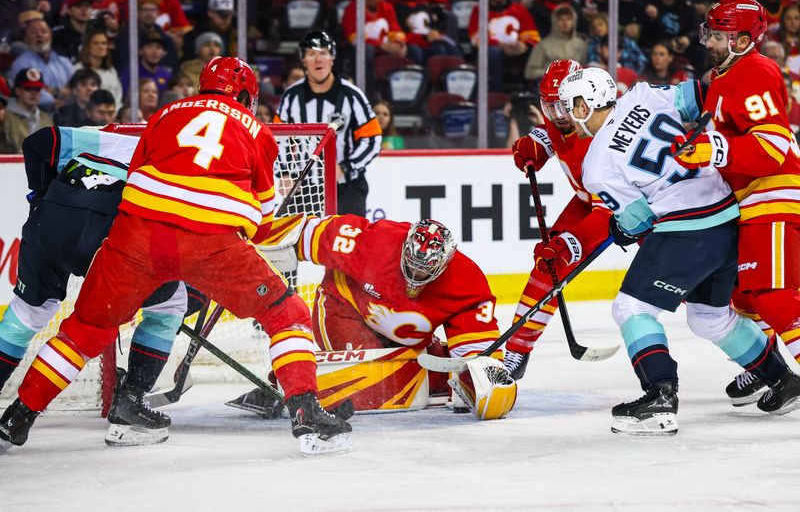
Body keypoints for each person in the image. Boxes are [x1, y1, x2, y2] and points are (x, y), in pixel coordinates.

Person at [0, 57, 352, 456]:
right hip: (209, 243)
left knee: (84, 328)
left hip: (137, 236)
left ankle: (18, 415)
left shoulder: (164, 114)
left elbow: (132, 177)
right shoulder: (258, 131)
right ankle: (306, 412)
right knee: (286, 314)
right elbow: (263, 221)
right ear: (243, 96)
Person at [558, 66, 800, 434]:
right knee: (709, 317)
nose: (569, 119)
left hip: (687, 228)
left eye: (570, 108)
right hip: (729, 219)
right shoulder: (643, 95)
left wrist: (617, 228)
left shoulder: (596, 164)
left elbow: (637, 219)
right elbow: (702, 97)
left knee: (631, 307)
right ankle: (782, 379)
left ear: (584, 104)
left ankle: (659, 396)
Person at [0, 125, 199, 446]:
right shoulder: (186, 164)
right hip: (105, 231)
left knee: (24, 316)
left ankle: (20, 414)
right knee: (171, 302)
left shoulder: (115, 138)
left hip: (48, 223)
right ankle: (129, 402)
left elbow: (37, 142)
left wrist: (40, 198)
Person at [229, 215, 517, 421]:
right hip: (343, 310)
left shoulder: (467, 282)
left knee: (416, 378)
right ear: (404, 248)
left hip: (403, 337)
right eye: (411, 266)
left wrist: (479, 382)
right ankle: (288, 380)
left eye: (424, 271)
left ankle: (307, 381)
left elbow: (478, 356)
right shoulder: (374, 241)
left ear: (444, 264)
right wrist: (254, 238)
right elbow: (309, 232)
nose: (414, 277)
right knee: (367, 375)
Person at [672, 0, 800, 409]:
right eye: (708, 32)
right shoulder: (721, 78)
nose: (708, 40)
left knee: (770, 291)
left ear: (744, 40)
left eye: (718, 35)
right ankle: (772, 371)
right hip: (747, 200)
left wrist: (712, 149)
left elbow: (773, 145)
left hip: (773, 194)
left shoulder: (756, 70)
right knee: (743, 293)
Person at [504, 59, 608, 380]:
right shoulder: (558, 117)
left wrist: (573, 243)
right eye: (548, 108)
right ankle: (516, 353)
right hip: (587, 203)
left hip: (630, 210)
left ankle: (759, 347)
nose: (556, 117)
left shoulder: (601, 133)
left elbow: (611, 212)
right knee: (548, 266)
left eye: (561, 108)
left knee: (685, 284)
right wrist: (533, 147)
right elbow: (548, 135)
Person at [274, 31, 382, 217]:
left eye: (323, 53)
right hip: (303, 190)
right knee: (300, 245)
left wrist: (346, 167)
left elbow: (372, 140)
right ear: (303, 59)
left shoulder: (352, 95)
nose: (318, 60)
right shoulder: (291, 98)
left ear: (332, 57)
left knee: (345, 245)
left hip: (347, 190)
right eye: (311, 54)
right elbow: (277, 140)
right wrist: (284, 172)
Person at [469, 0, 541, 92]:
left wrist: (524, 46)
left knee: (535, 51)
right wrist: (500, 46)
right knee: (493, 53)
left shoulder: (519, 10)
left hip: (517, 51)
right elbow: (476, 37)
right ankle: (495, 94)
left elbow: (532, 35)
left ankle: (532, 93)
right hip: (493, 52)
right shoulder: (479, 10)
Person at [9, 18, 74, 111]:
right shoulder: (20, 64)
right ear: (26, 39)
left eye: (44, 32)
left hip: (67, 115)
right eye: (34, 33)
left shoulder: (64, 62)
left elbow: (75, 91)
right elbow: (29, 94)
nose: (39, 35)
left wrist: (53, 91)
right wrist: (60, 96)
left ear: (51, 35)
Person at [524, 4, 587, 81]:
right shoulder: (543, 45)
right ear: (554, 21)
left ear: (574, 21)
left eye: (568, 19)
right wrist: (554, 73)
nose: (565, 23)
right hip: (551, 88)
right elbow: (529, 73)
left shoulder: (581, 44)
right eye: (561, 19)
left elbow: (585, 69)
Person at [4, 68, 53, 153]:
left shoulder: (47, 119)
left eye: (37, 89)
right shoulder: (4, 117)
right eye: (28, 88)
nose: (33, 93)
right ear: (18, 91)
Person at [74, 29, 123, 109]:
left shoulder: (112, 71)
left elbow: (118, 95)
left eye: (104, 43)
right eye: (96, 43)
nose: (101, 47)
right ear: (88, 47)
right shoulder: (78, 69)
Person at [51, 0, 93, 64]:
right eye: (78, 5)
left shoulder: (93, 34)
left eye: (87, 6)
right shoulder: (58, 35)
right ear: (69, 11)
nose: (84, 9)